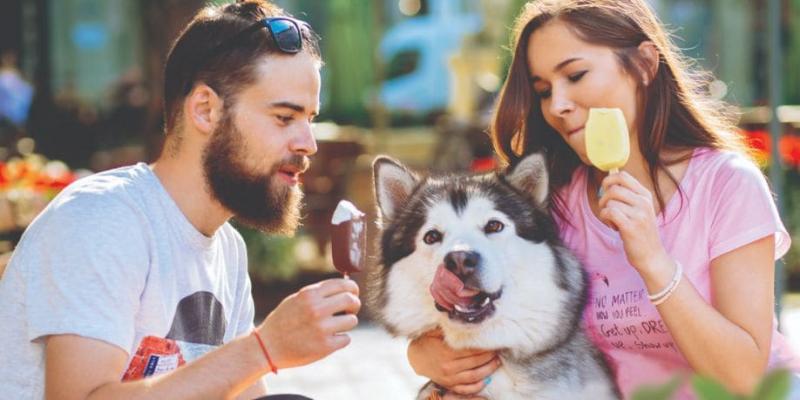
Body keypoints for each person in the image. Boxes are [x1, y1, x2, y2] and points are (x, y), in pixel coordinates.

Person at [407, 0, 799, 399]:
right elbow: (483, 321)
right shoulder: (553, 204)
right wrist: (425, 356)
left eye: (575, 75)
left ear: (645, 65)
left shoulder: (725, 184)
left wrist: (652, 261)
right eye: (543, 90)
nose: (557, 105)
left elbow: (746, 379)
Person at [0, 1, 361, 399]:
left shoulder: (227, 250)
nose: (307, 143)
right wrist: (263, 348)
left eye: (309, 119)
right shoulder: (101, 218)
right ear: (205, 110)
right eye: (284, 117)